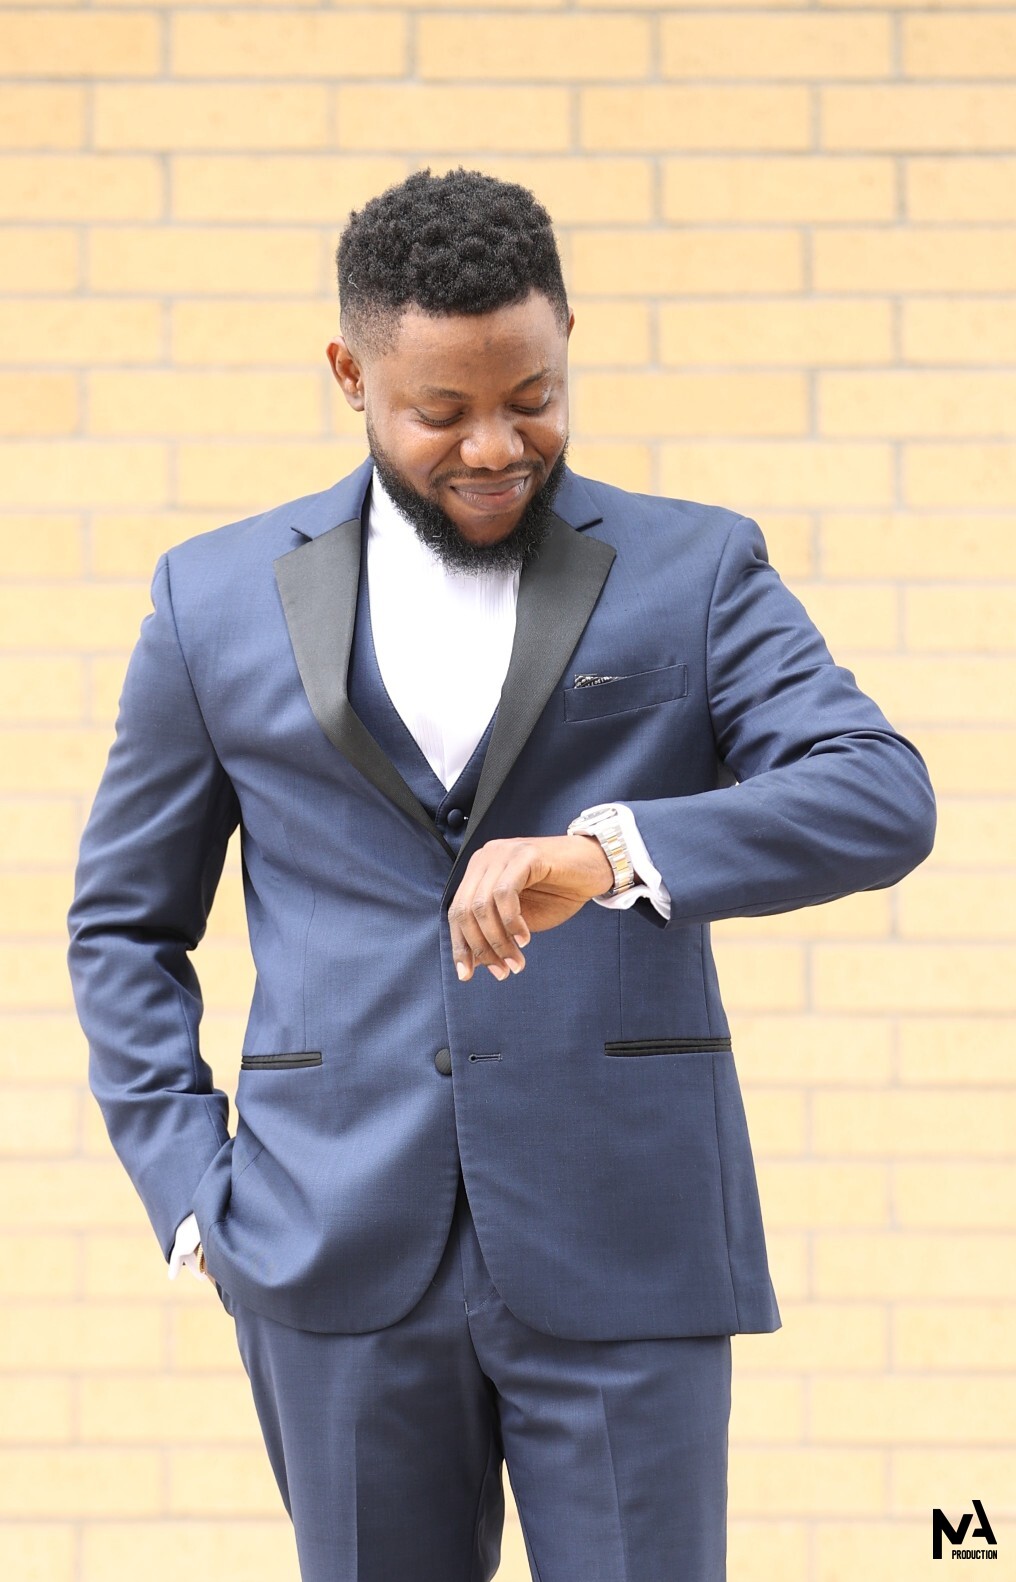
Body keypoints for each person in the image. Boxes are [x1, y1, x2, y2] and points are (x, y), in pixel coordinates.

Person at [67, 167, 937, 1582]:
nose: (495, 447)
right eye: (442, 412)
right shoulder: (209, 598)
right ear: (350, 375)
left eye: (532, 397)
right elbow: (123, 924)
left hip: (626, 1235)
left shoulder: (695, 568)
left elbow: (879, 794)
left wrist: (612, 851)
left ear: (569, 339)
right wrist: (190, 1195)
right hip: (324, 1239)